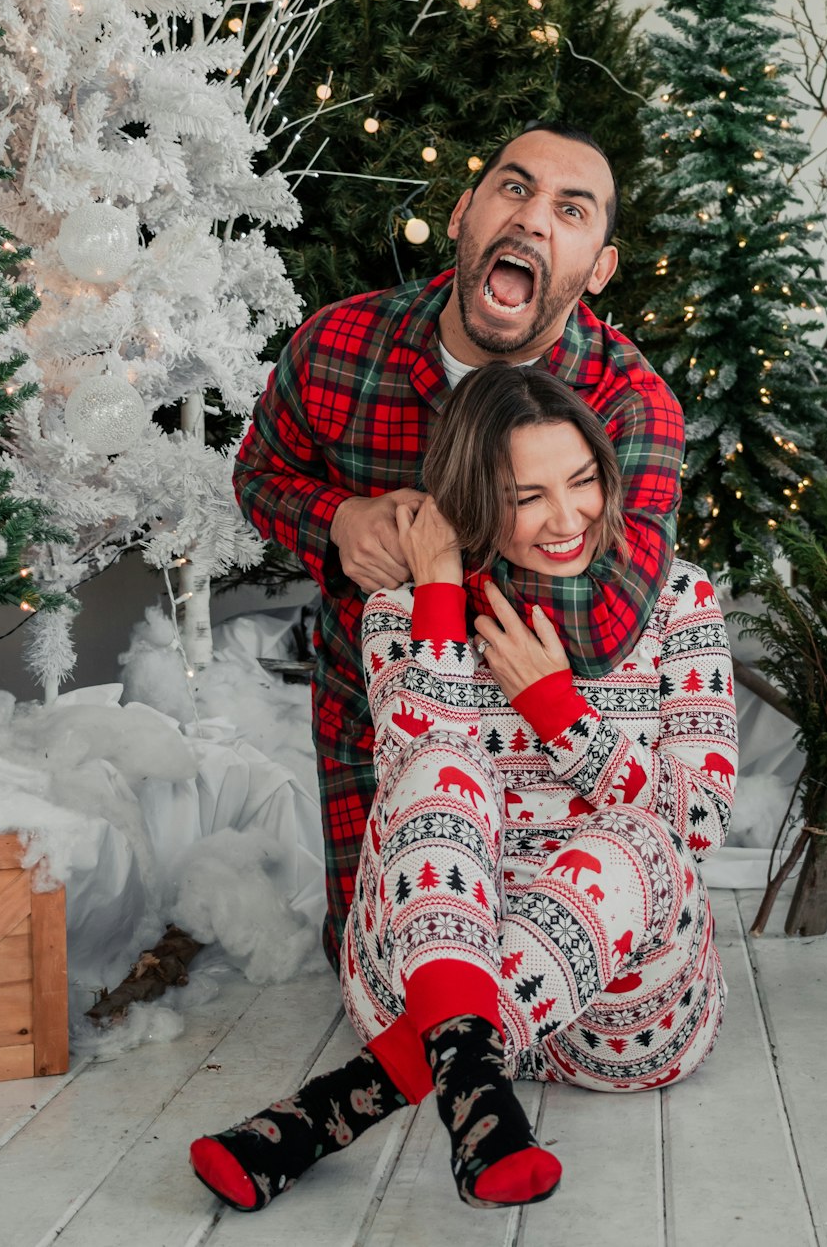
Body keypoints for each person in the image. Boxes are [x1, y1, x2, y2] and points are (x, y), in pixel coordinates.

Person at [192, 366, 736, 1214]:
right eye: (527, 497)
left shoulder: (676, 597)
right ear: (476, 500)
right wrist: (439, 584)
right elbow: (418, 768)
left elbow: (700, 823)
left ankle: (355, 1101)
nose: (567, 520)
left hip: (625, 1016)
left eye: (584, 481)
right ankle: (472, 1084)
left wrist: (558, 711)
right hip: (431, 959)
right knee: (438, 769)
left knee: (641, 838)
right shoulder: (399, 611)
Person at [233, 122, 685, 972]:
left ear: (598, 269)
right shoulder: (337, 347)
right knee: (388, 979)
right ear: (463, 214)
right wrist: (338, 521)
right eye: (514, 189)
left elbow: (602, 624)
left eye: (572, 209)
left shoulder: (631, 405)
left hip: (552, 750)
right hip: (375, 726)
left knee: (550, 993)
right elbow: (261, 473)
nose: (534, 220)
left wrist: (440, 564)